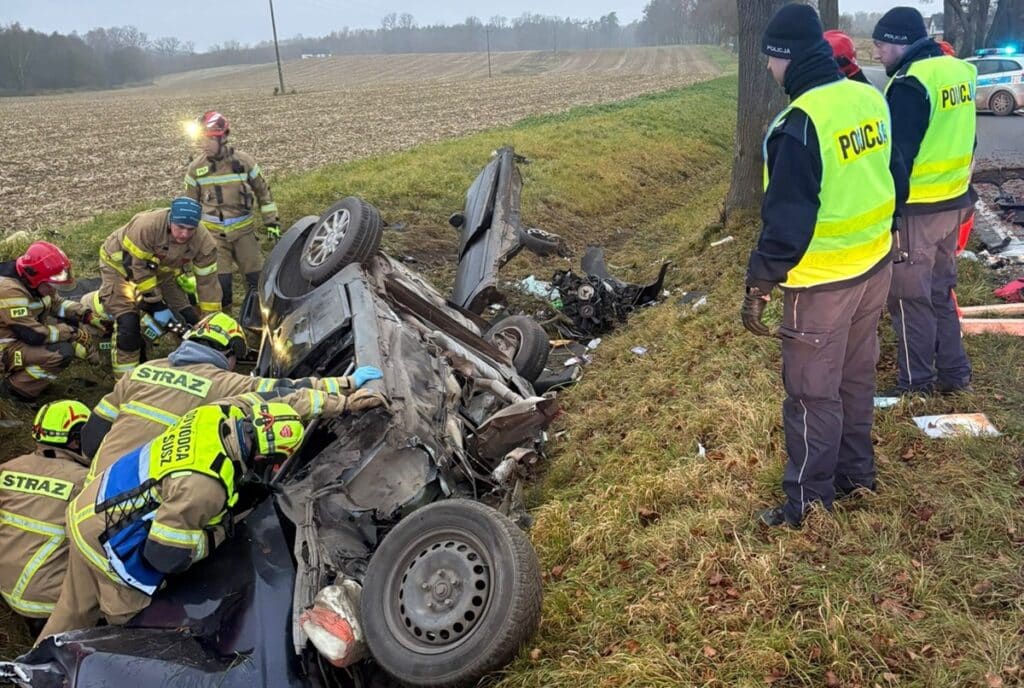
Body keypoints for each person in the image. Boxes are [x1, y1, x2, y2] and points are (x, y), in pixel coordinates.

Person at [37, 386, 387, 641]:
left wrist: (341, 401)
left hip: (90, 505)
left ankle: (30, 671)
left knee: (72, 609)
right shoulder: (206, 486)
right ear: (261, 457)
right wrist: (221, 531)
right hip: (107, 544)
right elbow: (164, 555)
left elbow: (283, 398)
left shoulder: (222, 413)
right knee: (132, 625)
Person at [742, 4, 906, 527]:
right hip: (873, 268)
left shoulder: (799, 124)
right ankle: (856, 476)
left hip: (822, 285)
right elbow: (893, 172)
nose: (769, 69)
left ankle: (808, 506)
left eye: (770, 59)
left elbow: (786, 222)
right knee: (856, 380)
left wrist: (759, 284)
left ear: (785, 58)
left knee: (812, 395)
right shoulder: (868, 97)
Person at [80, 311, 383, 480]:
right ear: (228, 353)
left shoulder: (141, 372)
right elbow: (285, 391)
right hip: (143, 491)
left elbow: (93, 435)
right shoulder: (221, 383)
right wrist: (345, 387)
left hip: (97, 482)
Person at [872, 8, 977, 395]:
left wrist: (889, 213)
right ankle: (954, 373)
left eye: (880, 45)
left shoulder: (910, 83)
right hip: (954, 203)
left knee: (907, 300)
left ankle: (916, 384)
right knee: (939, 290)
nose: (878, 54)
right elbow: (970, 137)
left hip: (919, 208)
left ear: (900, 43)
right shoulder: (959, 71)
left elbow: (897, 158)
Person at [98, 197, 222, 377]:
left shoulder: (204, 243)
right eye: (180, 227)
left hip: (161, 273)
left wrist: (211, 320)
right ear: (171, 220)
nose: (185, 235)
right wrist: (156, 304)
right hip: (119, 268)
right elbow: (134, 266)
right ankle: (127, 380)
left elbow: (208, 284)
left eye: (190, 229)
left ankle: (194, 367)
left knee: (187, 318)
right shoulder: (146, 227)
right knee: (128, 323)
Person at [0, 401, 90, 628]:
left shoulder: (8, 468)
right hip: (46, 604)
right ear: (76, 438)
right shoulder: (85, 482)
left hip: (4, 582)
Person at [184, 111, 280, 313]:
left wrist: (271, 221)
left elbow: (263, 191)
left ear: (222, 137)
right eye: (201, 139)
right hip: (213, 238)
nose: (203, 144)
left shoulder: (244, 162)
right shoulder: (196, 169)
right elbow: (189, 207)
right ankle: (225, 326)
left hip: (244, 234)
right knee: (222, 286)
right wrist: (188, 242)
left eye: (208, 139)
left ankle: (260, 322)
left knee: (257, 282)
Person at [0, 242, 97, 399]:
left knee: (59, 343)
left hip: (20, 335)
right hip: (6, 347)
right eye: (51, 285)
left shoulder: (33, 281)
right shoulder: (9, 292)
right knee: (60, 353)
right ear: (35, 279)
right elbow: (33, 335)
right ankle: (16, 390)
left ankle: (30, 380)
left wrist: (85, 314)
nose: (54, 289)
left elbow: (56, 304)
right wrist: (71, 332)